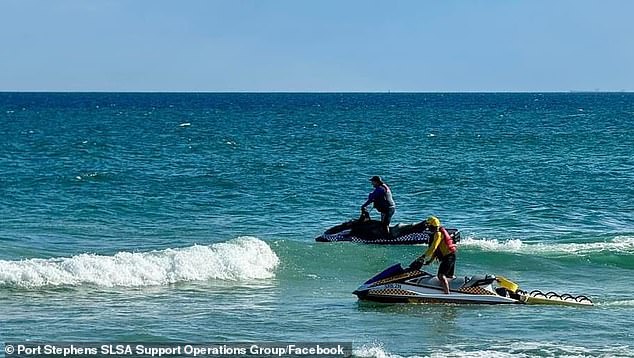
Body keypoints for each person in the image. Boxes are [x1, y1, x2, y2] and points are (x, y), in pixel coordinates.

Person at [408, 216, 457, 294]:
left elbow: (433, 247)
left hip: (448, 257)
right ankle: (455, 290)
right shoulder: (439, 232)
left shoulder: (438, 234)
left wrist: (424, 256)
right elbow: (437, 250)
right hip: (450, 256)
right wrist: (430, 261)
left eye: (428, 226)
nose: (428, 228)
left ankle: (447, 294)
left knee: (441, 276)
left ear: (431, 226)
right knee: (449, 276)